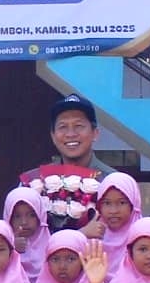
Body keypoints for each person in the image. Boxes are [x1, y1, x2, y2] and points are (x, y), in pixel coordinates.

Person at [15, 93, 107, 232]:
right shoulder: (33, 182)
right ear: (53, 136)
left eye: (79, 125)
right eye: (63, 127)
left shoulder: (110, 180)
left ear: (95, 133)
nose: (70, 134)